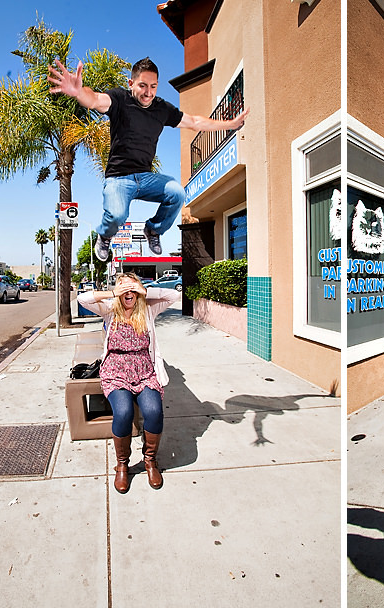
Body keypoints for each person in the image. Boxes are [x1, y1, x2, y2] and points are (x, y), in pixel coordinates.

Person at [48, 57, 249, 261]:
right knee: (117, 216)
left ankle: (153, 230)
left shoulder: (162, 108)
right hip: (118, 179)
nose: (148, 93)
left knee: (177, 193)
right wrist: (79, 92)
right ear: (131, 84)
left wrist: (229, 124)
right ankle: (105, 235)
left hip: (146, 178)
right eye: (142, 85)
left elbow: (194, 121)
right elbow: (95, 100)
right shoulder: (120, 99)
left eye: (153, 86)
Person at [78, 272, 181, 493]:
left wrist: (143, 290)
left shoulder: (147, 309)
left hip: (144, 371)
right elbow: (82, 299)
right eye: (123, 288)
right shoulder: (109, 309)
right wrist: (113, 292)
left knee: (154, 411)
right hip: (116, 371)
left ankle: (150, 461)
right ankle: (122, 465)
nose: (128, 292)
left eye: (132, 288)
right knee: (123, 412)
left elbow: (173, 295)